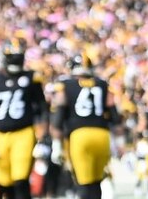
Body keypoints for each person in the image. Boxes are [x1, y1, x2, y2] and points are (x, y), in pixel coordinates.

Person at [0, 40, 49, 199]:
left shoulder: (31, 78)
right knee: (3, 182)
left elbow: (43, 109)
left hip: (23, 132)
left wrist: (44, 138)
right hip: (0, 135)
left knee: (20, 180)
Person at [49, 53, 123, 199]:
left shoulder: (64, 85)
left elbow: (58, 116)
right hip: (102, 136)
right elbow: (115, 115)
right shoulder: (102, 84)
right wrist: (119, 143)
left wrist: (56, 144)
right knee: (97, 182)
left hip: (79, 136)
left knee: (83, 183)